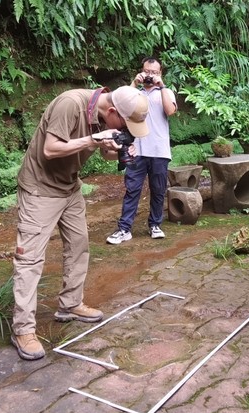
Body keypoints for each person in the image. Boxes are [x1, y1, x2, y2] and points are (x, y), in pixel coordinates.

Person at [11, 86, 150, 360]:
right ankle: (23, 329)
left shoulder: (102, 114)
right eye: (126, 125)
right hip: (40, 189)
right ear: (112, 112)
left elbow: (103, 151)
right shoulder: (69, 104)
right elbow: (51, 150)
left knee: (79, 246)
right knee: (30, 259)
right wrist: (93, 139)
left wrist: (116, 147)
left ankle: (70, 304)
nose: (129, 130)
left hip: (70, 187)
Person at [106, 57, 177, 244]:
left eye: (154, 72)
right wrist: (134, 83)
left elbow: (170, 111)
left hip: (159, 150)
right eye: (147, 71)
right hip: (135, 148)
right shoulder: (134, 93)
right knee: (132, 189)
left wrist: (161, 87)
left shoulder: (166, 92)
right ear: (141, 71)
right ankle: (124, 229)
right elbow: (121, 106)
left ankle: (155, 225)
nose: (150, 75)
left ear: (160, 74)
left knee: (158, 190)